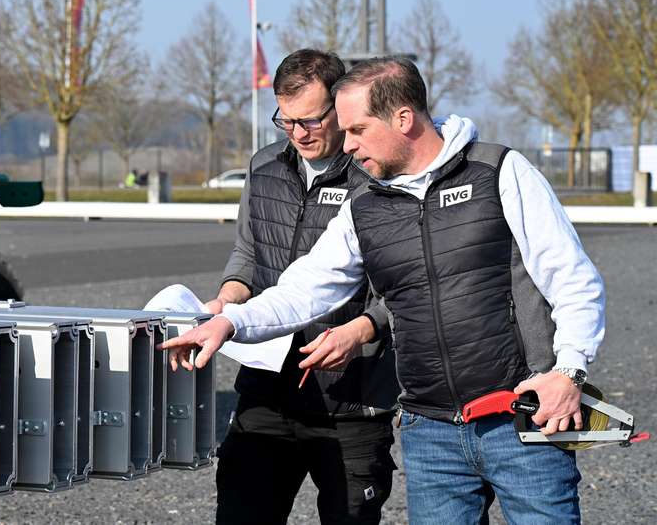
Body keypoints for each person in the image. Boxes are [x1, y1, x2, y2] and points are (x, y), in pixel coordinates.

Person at [162, 57, 605, 524]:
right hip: (430, 433)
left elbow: (573, 280)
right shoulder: (366, 204)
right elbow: (304, 288)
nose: (347, 145)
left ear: (403, 119)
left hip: (520, 419)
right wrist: (230, 321)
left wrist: (569, 372)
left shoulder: (499, 172)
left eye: (356, 129)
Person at [207, 49, 398, 524]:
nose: (298, 133)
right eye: (285, 120)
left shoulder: (375, 176)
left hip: (351, 399)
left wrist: (360, 330)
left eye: (311, 119)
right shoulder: (265, 167)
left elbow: (403, 285)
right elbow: (248, 254)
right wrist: (228, 296)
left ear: (340, 108)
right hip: (266, 392)